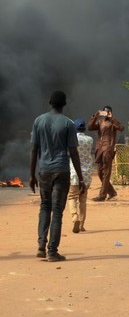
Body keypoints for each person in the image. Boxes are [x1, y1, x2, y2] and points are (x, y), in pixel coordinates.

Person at [29, 91, 84, 262]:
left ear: (50, 102)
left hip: (44, 171)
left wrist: (31, 175)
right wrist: (80, 177)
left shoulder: (39, 121)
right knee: (57, 211)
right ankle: (52, 251)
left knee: (45, 207)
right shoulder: (68, 124)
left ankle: (41, 245)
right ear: (64, 104)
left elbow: (34, 150)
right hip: (62, 171)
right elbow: (74, 153)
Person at [87, 105, 124, 201]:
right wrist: (95, 115)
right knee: (99, 172)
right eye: (105, 112)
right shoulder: (100, 122)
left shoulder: (113, 123)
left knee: (106, 172)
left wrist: (113, 118)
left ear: (111, 113)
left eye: (108, 112)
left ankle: (102, 195)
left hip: (108, 149)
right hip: (99, 149)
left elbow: (121, 128)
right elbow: (90, 127)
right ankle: (112, 192)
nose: (106, 114)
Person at [67, 119, 95, 233]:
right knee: (83, 200)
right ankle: (82, 225)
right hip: (87, 173)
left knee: (72, 197)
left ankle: (75, 217)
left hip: (75, 173)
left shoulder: (73, 139)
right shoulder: (90, 139)